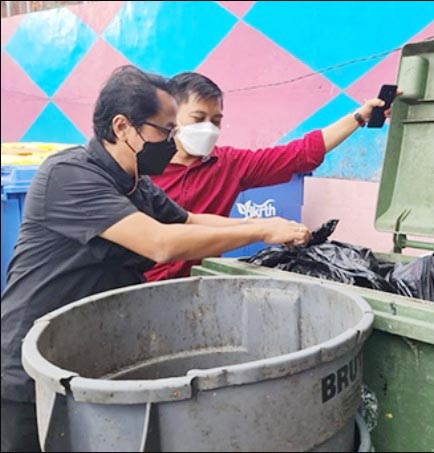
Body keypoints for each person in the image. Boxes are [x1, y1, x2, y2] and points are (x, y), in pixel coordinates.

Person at [0, 65, 310, 452]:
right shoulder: (68, 175)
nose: (172, 140)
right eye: (165, 130)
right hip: (29, 366)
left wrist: (266, 223)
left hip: (89, 356)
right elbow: (161, 243)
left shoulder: (137, 185)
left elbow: (192, 220)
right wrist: (260, 232)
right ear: (122, 127)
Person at [146, 71, 393, 281]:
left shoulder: (229, 164)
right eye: (199, 119)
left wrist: (359, 118)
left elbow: (299, 154)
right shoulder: (141, 169)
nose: (208, 128)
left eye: (216, 121)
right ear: (172, 117)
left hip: (197, 285)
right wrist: (260, 228)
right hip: (138, 285)